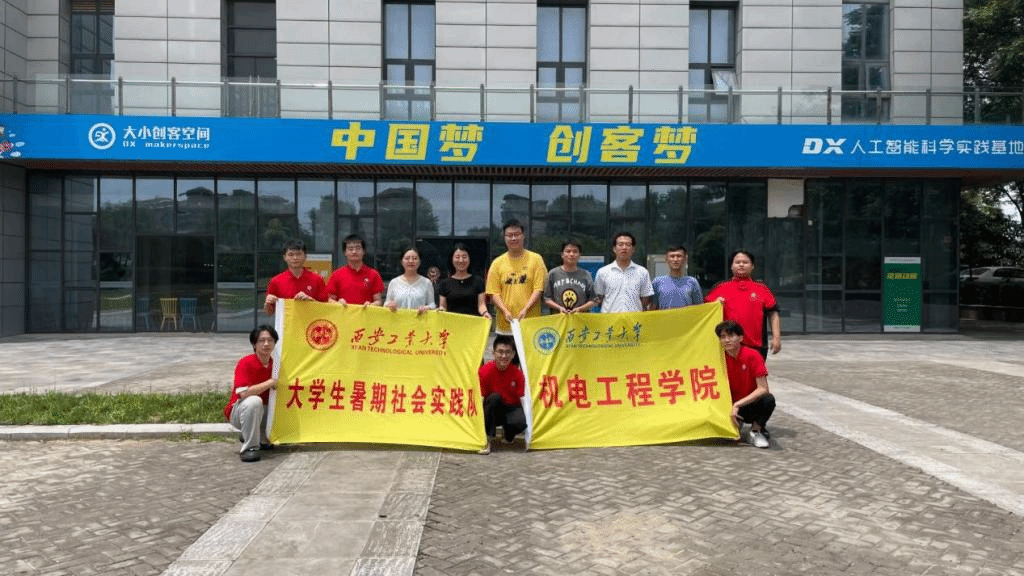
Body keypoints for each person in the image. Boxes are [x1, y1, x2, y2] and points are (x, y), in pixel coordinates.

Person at [705, 250, 781, 359]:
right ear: (731, 266)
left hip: (756, 345)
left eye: (745, 262)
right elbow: (705, 313)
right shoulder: (719, 288)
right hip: (727, 346)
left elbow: (773, 313)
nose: (741, 265)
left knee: (756, 370)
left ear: (752, 266)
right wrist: (715, 304)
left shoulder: (762, 289)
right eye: (737, 262)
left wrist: (776, 337)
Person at [715, 320, 775, 449]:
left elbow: (763, 388)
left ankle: (755, 432)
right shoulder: (718, 358)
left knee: (768, 399)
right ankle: (735, 424)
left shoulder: (752, 355)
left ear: (741, 338)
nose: (726, 340)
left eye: (731, 335)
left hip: (748, 404)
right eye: (723, 337)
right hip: (727, 404)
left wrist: (737, 404)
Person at [224, 325, 279, 462]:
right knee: (254, 401)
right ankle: (250, 448)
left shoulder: (276, 366)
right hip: (240, 410)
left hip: (262, 412)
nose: (266, 344)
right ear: (254, 344)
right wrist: (270, 382)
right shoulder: (245, 363)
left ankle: (258, 436)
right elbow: (243, 394)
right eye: (261, 340)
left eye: (270, 340)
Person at [485, 219, 546, 335]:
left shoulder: (536, 259)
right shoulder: (497, 263)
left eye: (517, 234)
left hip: (530, 324)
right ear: (504, 238)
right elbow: (493, 293)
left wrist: (525, 309)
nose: (513, 238)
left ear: (523, 236)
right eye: (509, 235)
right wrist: (505, 311)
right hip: (505, 325)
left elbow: (538, 289)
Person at [477, 335, 527, 455]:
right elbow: (480, 398)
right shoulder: (484, 372)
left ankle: (508, 434)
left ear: (513, 354)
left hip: (510, 408)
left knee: (519, 422)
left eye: (507, 352)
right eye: (500, 352)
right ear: (493, 353)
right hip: (492, 409)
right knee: (494, 398)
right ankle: (487, 439)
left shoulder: (518, 374)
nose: (504, 356)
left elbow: (522, 400)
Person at [594, 231, 654, 313]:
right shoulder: (603, 272)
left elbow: (645, 299)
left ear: (633, 249)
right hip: (610, 319)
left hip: (633, 319)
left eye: (628, 245)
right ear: (614, 249)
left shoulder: (642, 272)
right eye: (620, 244)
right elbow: (599, 298)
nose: (624, 248)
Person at [263, 239, 328, 315]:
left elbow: (326, 308)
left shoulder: (317, 279)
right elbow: (269, 313)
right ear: (285, 257)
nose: (295, 258)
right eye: (291, 254)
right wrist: (267, 304)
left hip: (311, 321)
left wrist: (311, 301)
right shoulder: (275, 281)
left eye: (299, 254)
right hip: (286, 322)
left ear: (305, 256)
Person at [326, 233, 385, 306]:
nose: (354, 252)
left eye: (358, 248)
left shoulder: (373, 274)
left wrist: (371, 305)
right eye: (350, 249)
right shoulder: (336, 275)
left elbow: (378, 301)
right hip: (343, 313)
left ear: (364, 251)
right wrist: (338, 303)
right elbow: (329, 300)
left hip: (366, 313)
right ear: (345, 252)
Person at [437, 243, 490, 319]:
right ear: (452, 259)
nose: (461, 260)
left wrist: (485, 313)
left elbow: (481, 305)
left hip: (473, 324)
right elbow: (443, 306)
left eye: (464, 257)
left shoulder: (478, 281)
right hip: (451, 323)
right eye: (457, 257)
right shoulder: (444, 283)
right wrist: (441, 309)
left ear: (469, 259)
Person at [544, 239, 598, 314]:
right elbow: (547, 299)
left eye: (575, 251)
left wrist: (580, 309)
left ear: (579, 255)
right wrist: (559, 308)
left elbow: (593, 300)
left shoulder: (586, 275)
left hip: (580, 318)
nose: (571, 254)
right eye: (568, 251)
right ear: (562, 254)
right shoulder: (553, 274)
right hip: (559, 318)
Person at [384, 248, 435, 314]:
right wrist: (389, 305)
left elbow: (432, 305)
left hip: (419, 319)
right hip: (398, 319)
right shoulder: (394, 282)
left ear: (419, 262)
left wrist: (427, 308)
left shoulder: (427, 282)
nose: (411, 261)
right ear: (402, 261)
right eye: (407, 258)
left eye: (414, 258)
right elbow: (386, 303)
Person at [651, 245, 703, 310]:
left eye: (679, 256)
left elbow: (699, 308)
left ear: (685, 259)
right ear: (667, 259)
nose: (675, 260)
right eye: (672, 256)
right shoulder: (657, 282)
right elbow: (652, 308)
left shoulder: (692, 282)